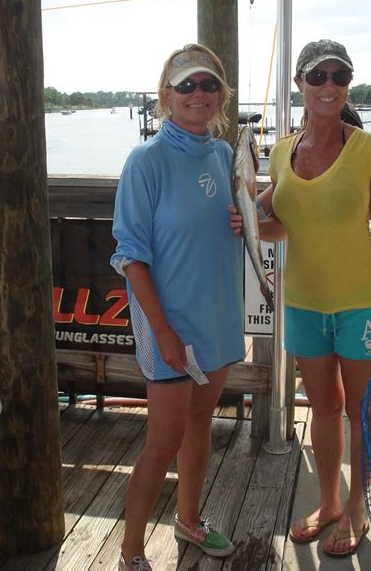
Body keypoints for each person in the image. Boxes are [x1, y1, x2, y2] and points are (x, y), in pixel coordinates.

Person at [231, 39, 371, 557]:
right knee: (324, 407)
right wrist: (242, 218)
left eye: (340, 76)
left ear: (348, 85)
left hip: (363, 301)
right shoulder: (283, 153)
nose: (329, 86)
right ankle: (330, 500)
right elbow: (272, 224)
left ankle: (358, 505)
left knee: (362, 411)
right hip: (303, 303)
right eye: (318, 76)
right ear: (300, 85)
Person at [111, 43, 245, 571]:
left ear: (221, 94)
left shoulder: (224, 153)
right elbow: (131, 256)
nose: (198, 94)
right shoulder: (146, 161)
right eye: (186, 85)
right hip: (169, 323)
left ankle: (189, 520)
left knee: (200, 425)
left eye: (208, 84)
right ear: (166, 96)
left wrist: (241, 222)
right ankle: (130, 550)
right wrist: (163, 332)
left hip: (217, 317)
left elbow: (238, 222)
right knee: (163, 438)